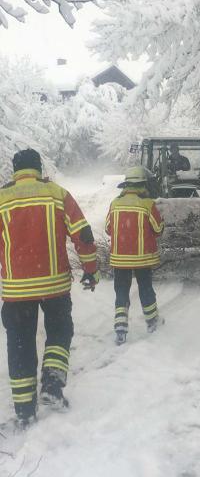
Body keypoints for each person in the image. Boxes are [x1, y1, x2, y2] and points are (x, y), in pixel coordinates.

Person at [0, 148, 99, 427]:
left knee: (19, 345)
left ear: (15, 171)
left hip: (16, 290)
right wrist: (90, 270)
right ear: (39, 169)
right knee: (59, 332)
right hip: (54, 284)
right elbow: (83, 234)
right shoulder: (57, 194)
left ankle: (24, 411)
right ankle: (53, 387)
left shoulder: (2, 198)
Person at [105, 166, 165, 345]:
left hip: (120, 259)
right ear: (142, 184)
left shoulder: (115, 203)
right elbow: (158, 229)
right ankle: (152, 321)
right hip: (142, 259)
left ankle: (120, 328)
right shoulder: (147, 204)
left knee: (121, 292)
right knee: (145, 289)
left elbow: (108, 229)